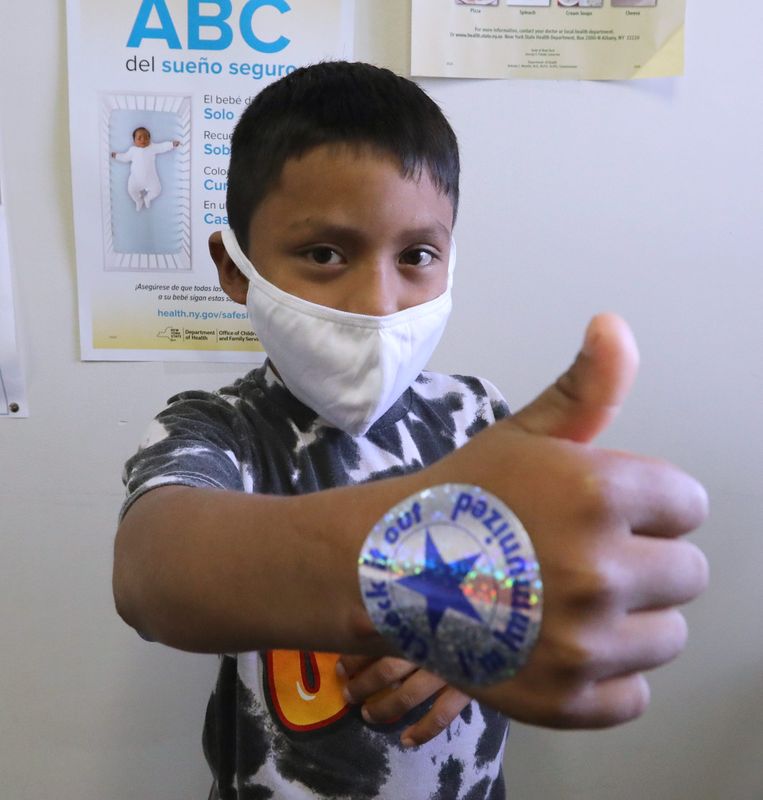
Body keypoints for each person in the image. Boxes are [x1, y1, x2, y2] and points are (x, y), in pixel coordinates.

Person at [113, 62, 708, 800]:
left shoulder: (481, 422)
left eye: (416, 256)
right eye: (324, 254)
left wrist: (495, 621)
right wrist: (417, 585)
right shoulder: (217, 428)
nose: (378, 301)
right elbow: (151, 572)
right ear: (235, 270)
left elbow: (544, 582)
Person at [111, 126, 180, 211]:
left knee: (157, 190)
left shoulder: (152, 147)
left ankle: (148, 198)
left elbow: (162, 147)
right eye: (139, 138)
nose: (143, 140)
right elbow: (125, 157)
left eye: (146, 137)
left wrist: (171, 144)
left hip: (151, 179)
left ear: (149, 139)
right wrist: (117, 156)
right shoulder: (132, 150)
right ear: (134, 141)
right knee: (131, 190)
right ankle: (138, 200)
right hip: (135, 179)